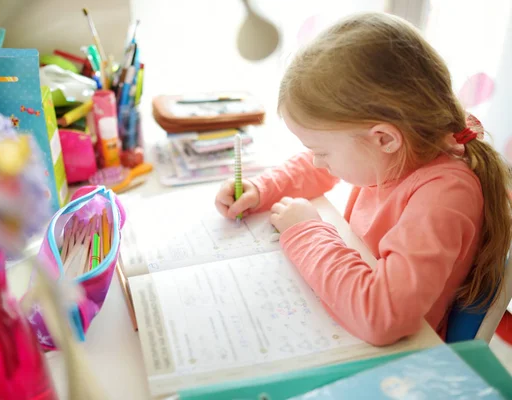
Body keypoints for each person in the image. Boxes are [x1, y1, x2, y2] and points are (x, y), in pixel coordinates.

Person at [215, 12, 512, 345]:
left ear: (384, 138)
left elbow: (383, 315)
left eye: (322, 151)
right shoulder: (402, 149)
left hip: (397, 357)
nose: (317, 160)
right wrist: (262, 188)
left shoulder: (444, 196)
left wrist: (306, 231)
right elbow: (319, 167)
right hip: (352, 313)